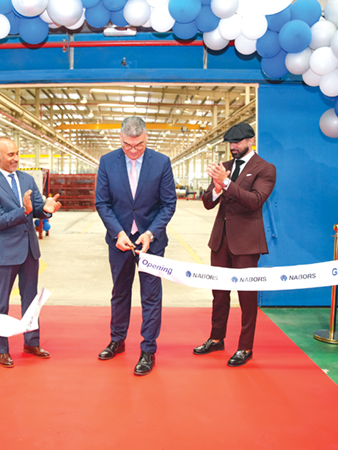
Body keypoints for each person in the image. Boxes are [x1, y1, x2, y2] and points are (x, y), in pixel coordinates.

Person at [95, 116, 177, 376]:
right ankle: (117, 340)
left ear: (146, 137)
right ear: (120, 138)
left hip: (151, 242)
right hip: (119, 241)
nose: (132, 150)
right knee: (120, 292)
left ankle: (148, 349)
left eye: (138, 145)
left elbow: (168, 204)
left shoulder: (161, 163)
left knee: (151, 296)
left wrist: (151, 233)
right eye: (127, 145)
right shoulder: (107, 162)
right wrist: (117, 232)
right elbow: (102, 203)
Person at [193, 122, 276, 367]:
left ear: (251, 141)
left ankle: (245, 347)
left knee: (247, 298)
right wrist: (217, 188)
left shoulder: (265, 169)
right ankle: (216, 338)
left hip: (247, 243)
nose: (233, 147)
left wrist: (227, 184)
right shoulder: (225, 167)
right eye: (230, 143)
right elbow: (208, 202)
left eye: (237, 143)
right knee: (219, 295)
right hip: (220, 241)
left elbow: (255, 201)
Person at [0, 137, 61, 368]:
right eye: (10, 155)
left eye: (17, 153)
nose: (16, 158)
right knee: (1, 305)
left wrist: (45, 210)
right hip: (6, 253)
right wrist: (23, 210)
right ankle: (2, 350)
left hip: (29, 251)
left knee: (31, 300)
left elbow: (36, 209)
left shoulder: (27, 179)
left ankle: (31, 342)